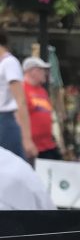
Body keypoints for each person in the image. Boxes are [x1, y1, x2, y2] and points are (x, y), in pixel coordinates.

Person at [0, 32, 37, 161]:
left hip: (5, 122)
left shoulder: (9, 63)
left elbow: (21, 101)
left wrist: (26, 139)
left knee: (10, 167)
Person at [23, 56, 61, 162]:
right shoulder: (22, 89)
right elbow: (19, 118)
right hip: (31, 148)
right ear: (32, 71)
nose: (45, 73)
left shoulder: (42, 91)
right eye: (42, 70)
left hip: (47, 146)